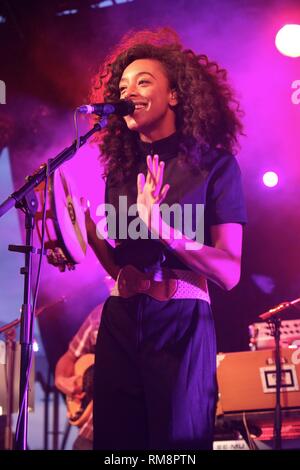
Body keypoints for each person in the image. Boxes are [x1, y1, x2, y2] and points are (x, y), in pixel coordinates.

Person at [85, 27, 247, 450]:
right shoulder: (119, 171)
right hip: (120, 320)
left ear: (174, 95)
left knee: (174, 449)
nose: (129, 91)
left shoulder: (214, 166)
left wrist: (164, 230)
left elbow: (229, 272)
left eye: (143, 81)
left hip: (180, 322)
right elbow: (122, 268)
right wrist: (84, 236)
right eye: (123, 85)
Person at [54, 303, 103, 450]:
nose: (109, 280)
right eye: (108, 278)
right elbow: (70, 357)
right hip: (91, 432)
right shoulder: (99, 313)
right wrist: (61, 380)